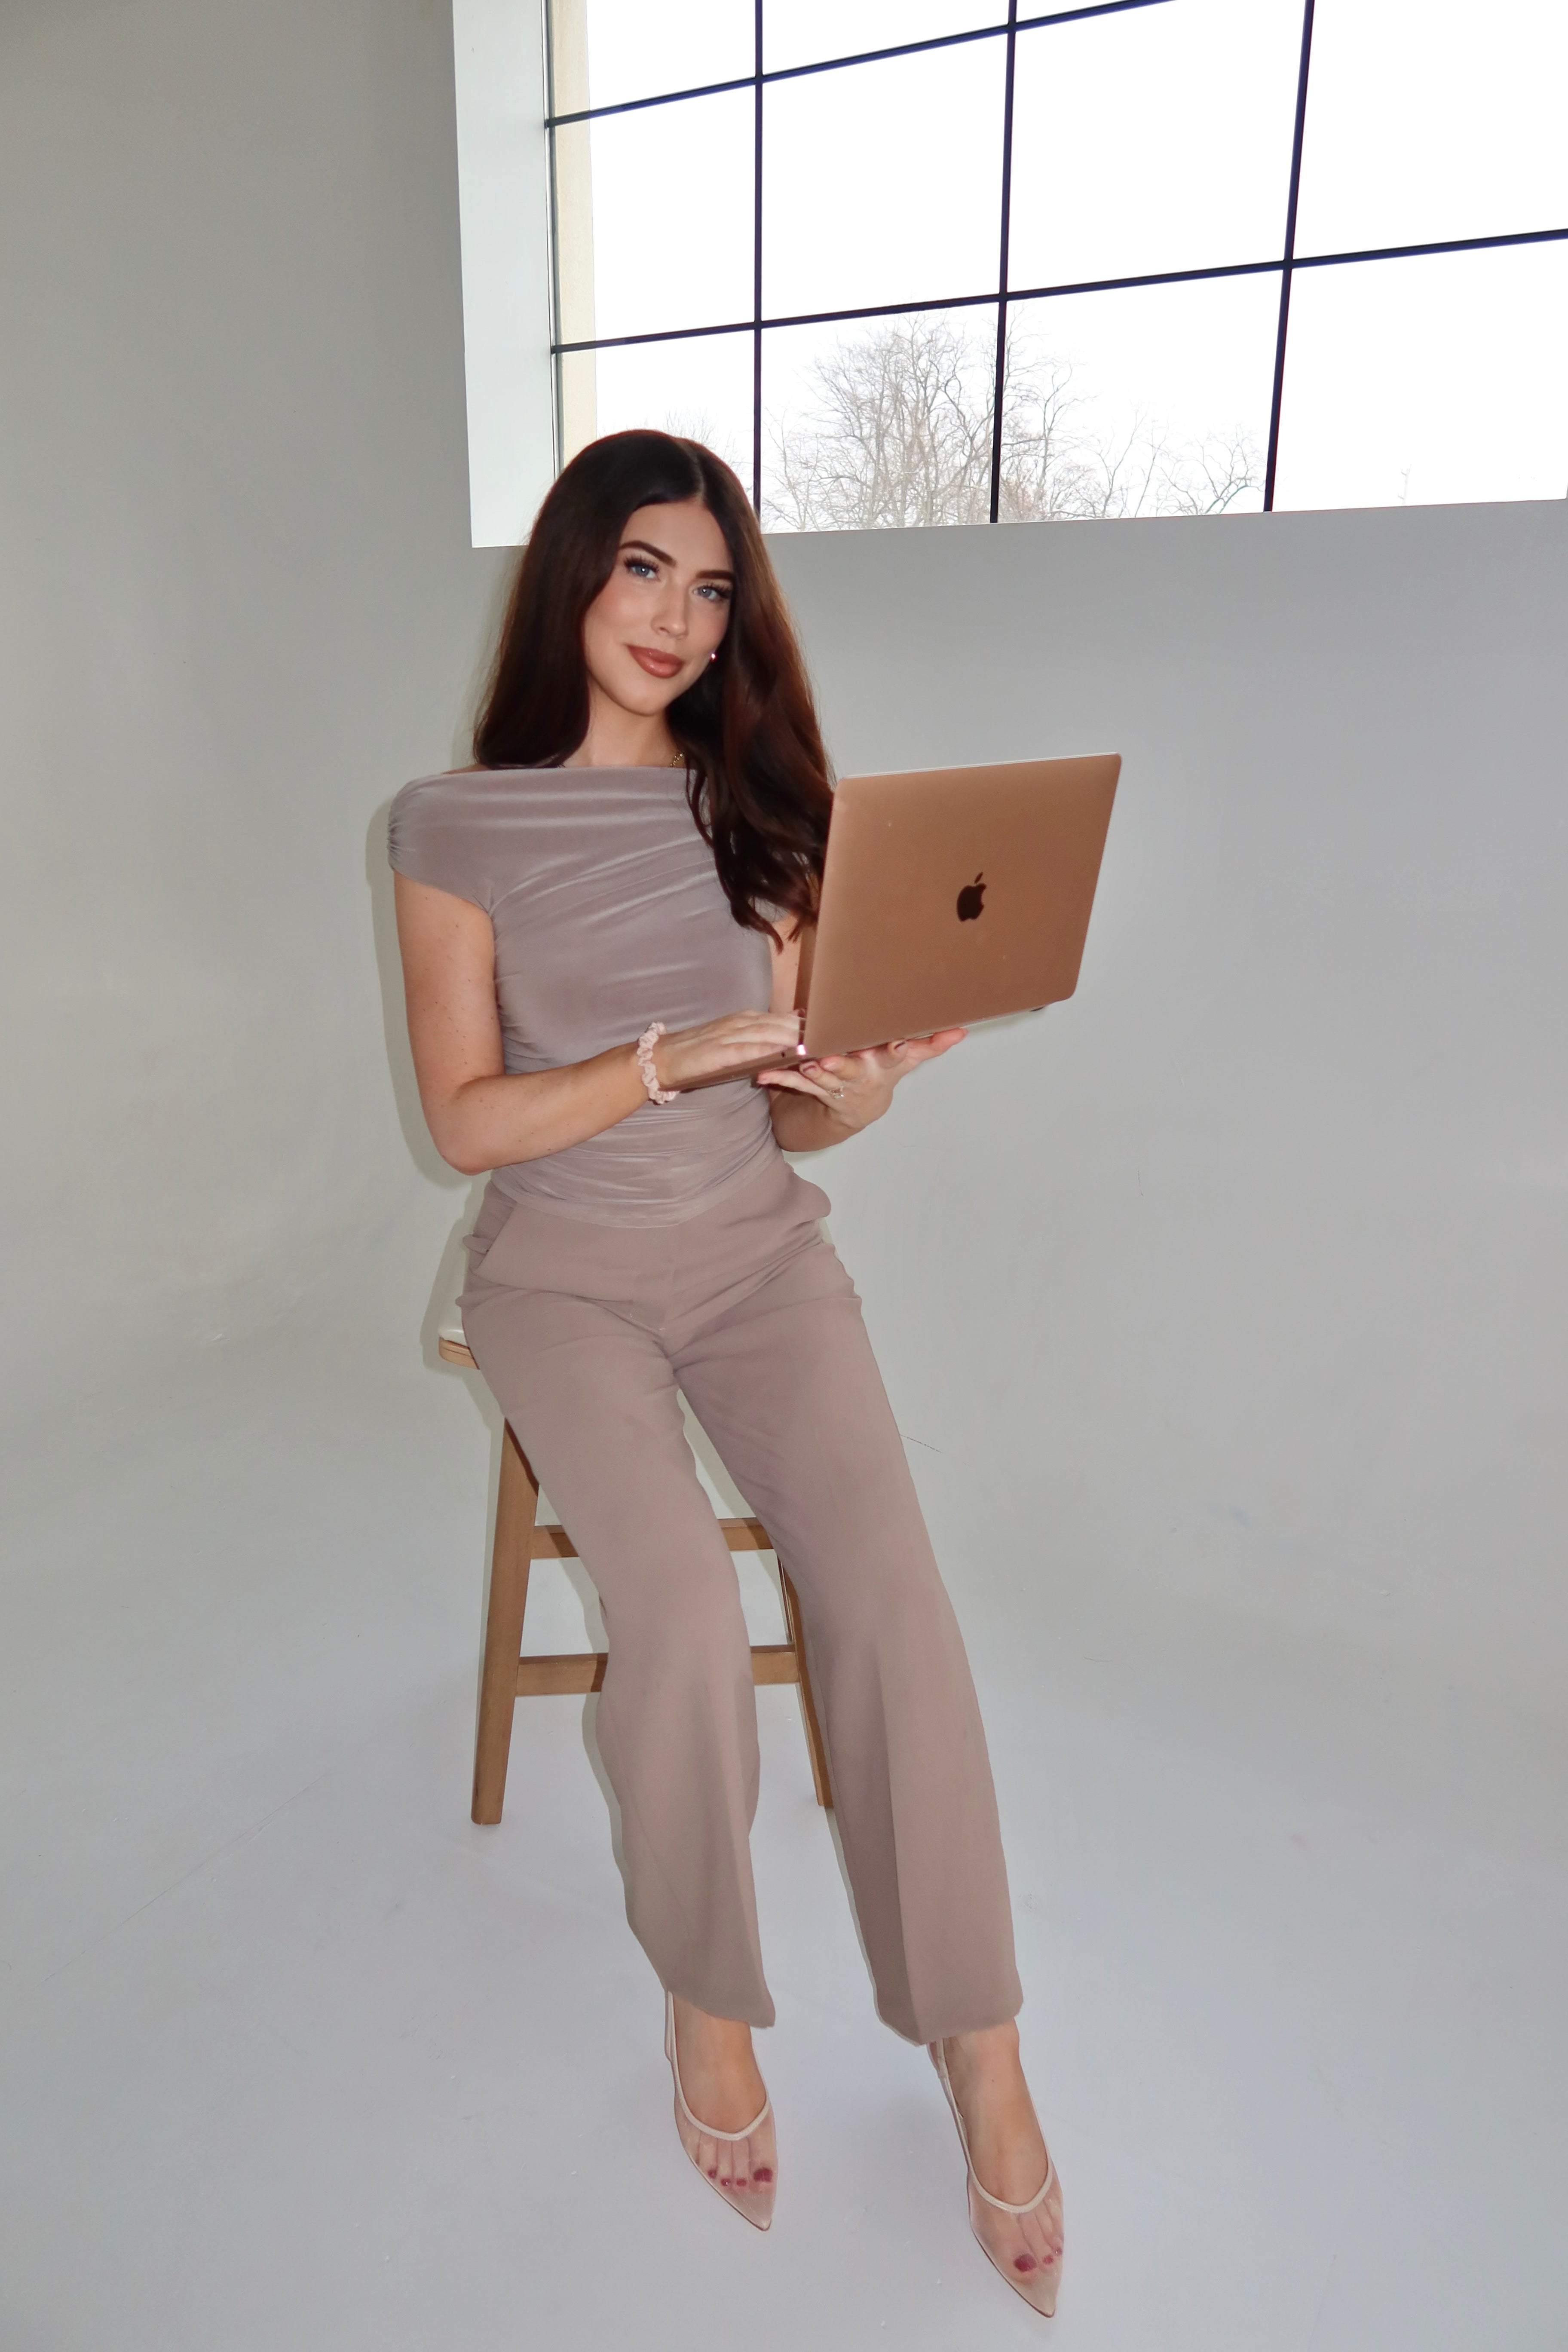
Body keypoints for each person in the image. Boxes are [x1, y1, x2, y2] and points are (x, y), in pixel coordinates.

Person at [389, 430, 1063, 2317]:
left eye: (711, 588)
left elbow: (803, 1125)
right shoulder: (453, 824)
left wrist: (840, 1093)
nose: (680, 620)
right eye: (642, 574)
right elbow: (464, 1120)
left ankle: (981, 2043)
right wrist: (673, 1057)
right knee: (678, 1614)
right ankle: (709, 1998)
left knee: (896, 1607)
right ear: (571, 583)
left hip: (755, 1259)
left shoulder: (765, 804)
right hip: (568, 1278)